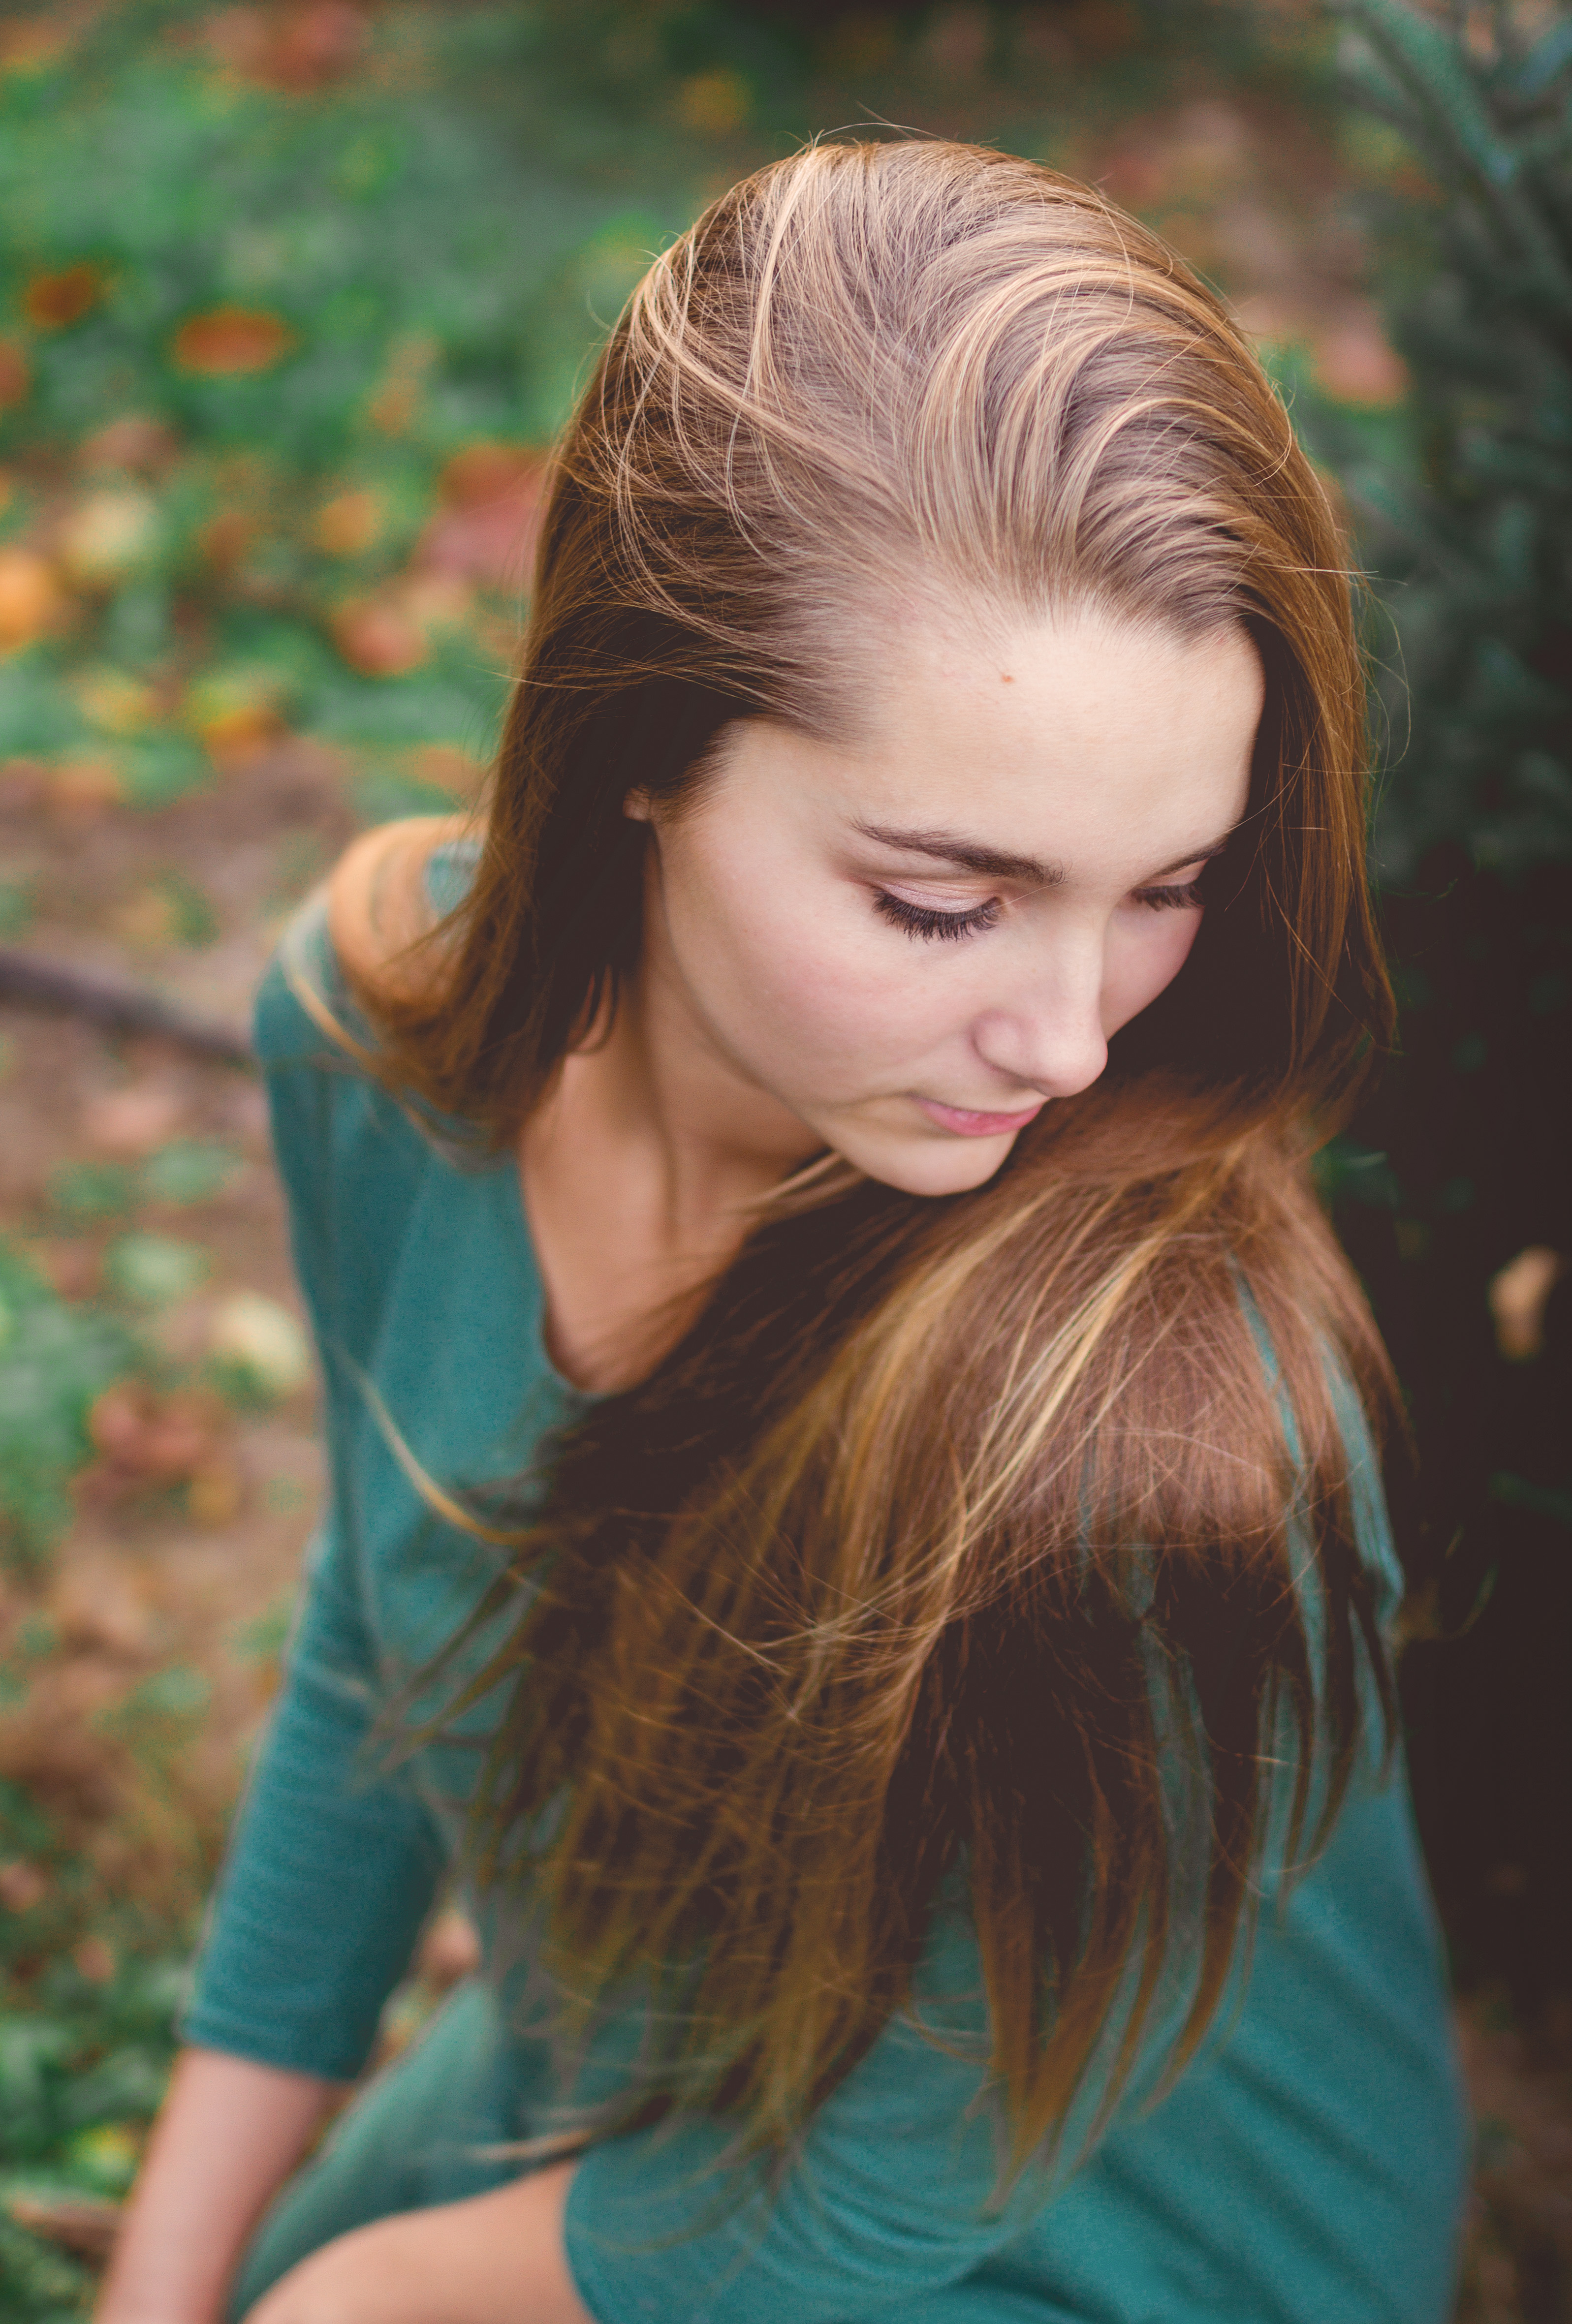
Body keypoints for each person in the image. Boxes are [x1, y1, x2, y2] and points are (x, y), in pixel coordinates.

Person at [97, 140, 1468, 2324]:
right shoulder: (367, 1052)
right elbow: (383, 1647)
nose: (1072, 1042)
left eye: (1169, 888)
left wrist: (351, 2299)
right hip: (647, 2082)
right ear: (631, 750)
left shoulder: (1163, 1427)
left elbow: (881, 2207)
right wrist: (167, 2285)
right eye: (942, 899)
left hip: (1103, 2245)